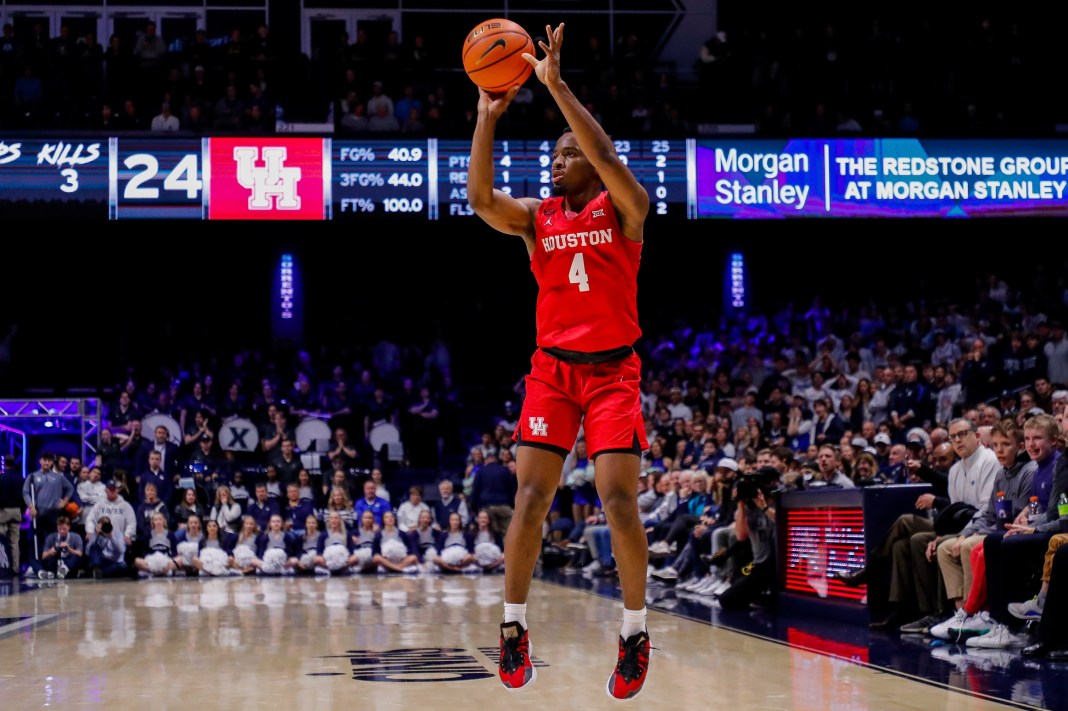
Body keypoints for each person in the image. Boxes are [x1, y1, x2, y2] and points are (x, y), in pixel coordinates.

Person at [468, 22, 652, 698]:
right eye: (551, 153)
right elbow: (481, 200)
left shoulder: (625, 207)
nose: (558, 160)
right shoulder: (538, 218)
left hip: (612, 373)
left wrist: (557, 87)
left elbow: (603, 150)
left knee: (618, 501)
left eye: (567, 153)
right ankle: (513, 628)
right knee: (531, 498)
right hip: (553, 370)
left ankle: (634, 634)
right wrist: (487, 117)